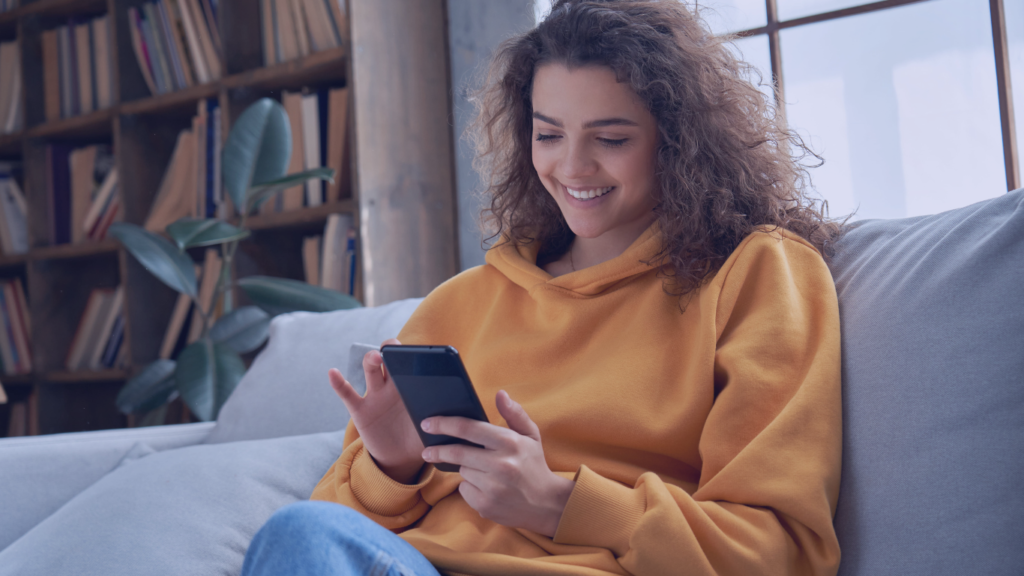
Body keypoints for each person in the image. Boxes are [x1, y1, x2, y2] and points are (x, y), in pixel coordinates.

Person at [241, 1, 845, 575]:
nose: (573, 168)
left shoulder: (757, 272)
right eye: (549, 134)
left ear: (679, 141)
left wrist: (559, 503)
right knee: (293, 533)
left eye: (611, 139)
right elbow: (324, 539)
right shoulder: (460, 303)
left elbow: (778, 555)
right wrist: (393, 466)